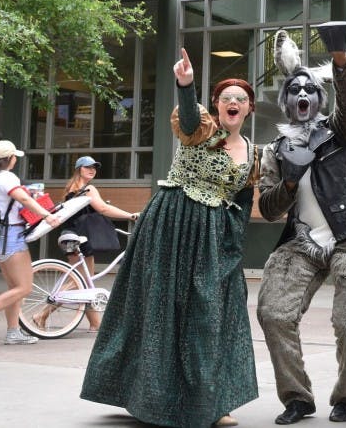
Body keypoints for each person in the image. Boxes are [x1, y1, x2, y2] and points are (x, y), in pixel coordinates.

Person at [80, 48, 258, 428]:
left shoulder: (254, 154)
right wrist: (186, 84)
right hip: (172, 224)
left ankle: (214, 403)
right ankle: (152, 395)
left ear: (249, 109)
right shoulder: (201, 128)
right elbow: (189, 114)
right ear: (217, 105)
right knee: (162, 310)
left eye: (240, 99)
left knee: (212, 316)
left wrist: (233, 243)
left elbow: (242, 202)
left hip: (213, 238)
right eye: (226, 98)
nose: (233, 103)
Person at [256, 22, 346, 425]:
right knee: (273, 313)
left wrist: (340, 59)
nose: (302, 94)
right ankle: (297, 398)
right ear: (285, 100)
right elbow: (270, 209)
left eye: (309, 89)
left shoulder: (339, 133)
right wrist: (290, 179)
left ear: (319, 98)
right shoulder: (275, 150)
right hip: (300, 242)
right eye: (295, 89)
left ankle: (345, 396)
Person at [0, 140, 62, 346]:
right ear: (10, 158)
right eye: (15, 156)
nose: (16, 159)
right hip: (11, 238)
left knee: (14, 288)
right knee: (25, 288)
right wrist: (47, 215)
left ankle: (13, 332)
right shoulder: (7, 177)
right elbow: (24, 200)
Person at [31, 156, 139, 333]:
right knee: (79, 281)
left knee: (85, 282)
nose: (92, 170)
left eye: (95, 167)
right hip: (80, 238)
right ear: (79, 169)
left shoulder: (70, 190)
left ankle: (95, 324)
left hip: (69, 236)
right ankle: (41, 314)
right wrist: (130, 216)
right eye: (88, 167)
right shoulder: (89, 188)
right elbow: (103, 208)